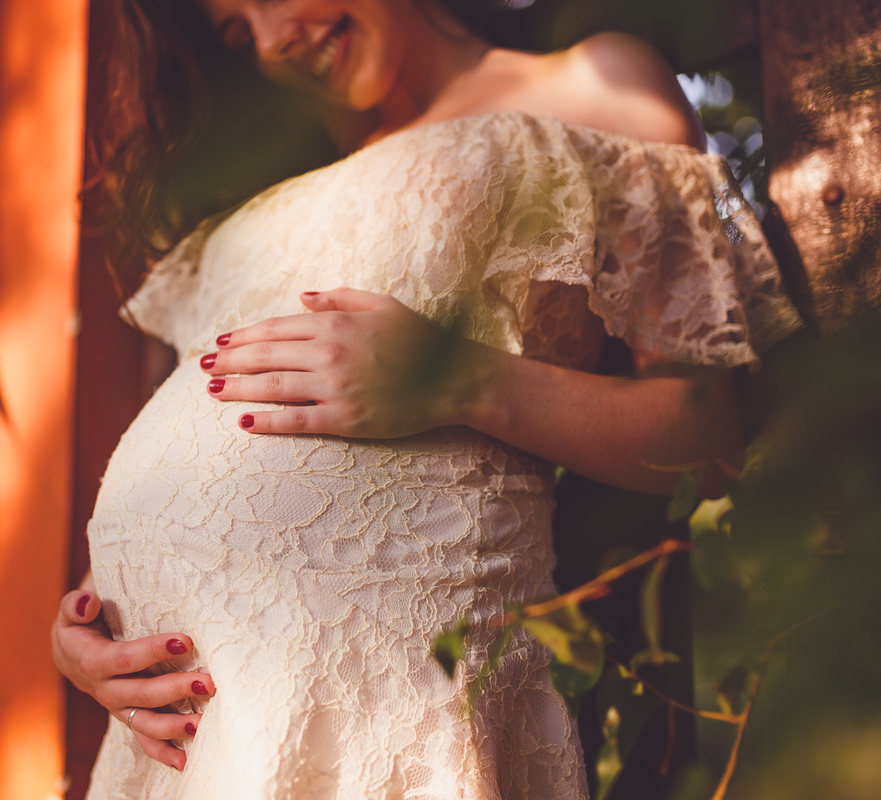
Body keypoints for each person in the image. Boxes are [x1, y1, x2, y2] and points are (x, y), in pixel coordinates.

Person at [52, 1, 804, 797]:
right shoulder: (267, 177)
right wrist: (94, 634)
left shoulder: (594, 85)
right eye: (239, 32)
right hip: (192, 740)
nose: (272, 41)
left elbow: (707, 432)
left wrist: (458, 379)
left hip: (393, 703)